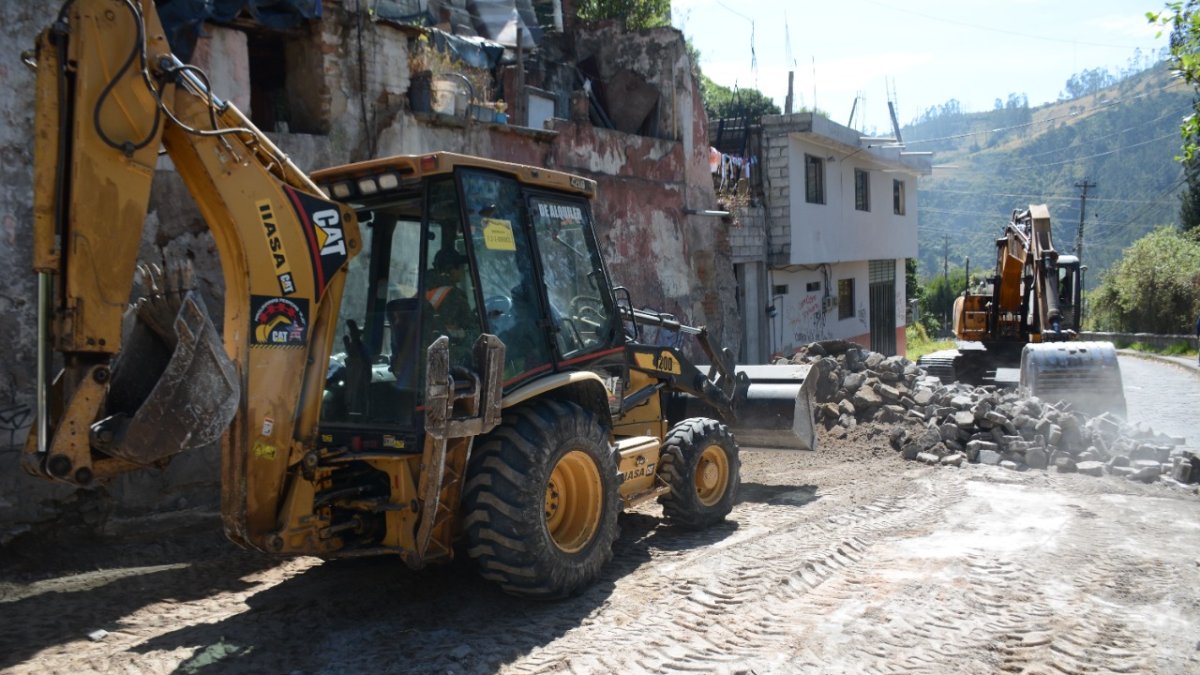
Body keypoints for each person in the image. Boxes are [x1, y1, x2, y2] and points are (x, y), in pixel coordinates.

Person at [426, 247, 476, 345]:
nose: (463, 271)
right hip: (444, 351)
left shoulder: (423, 288)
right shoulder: (454, 295)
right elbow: (471, 330)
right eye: (461, 268)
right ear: (452, 269)